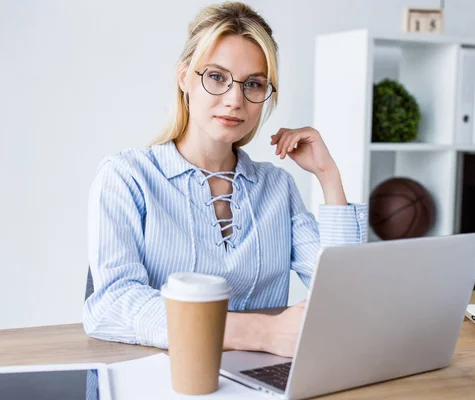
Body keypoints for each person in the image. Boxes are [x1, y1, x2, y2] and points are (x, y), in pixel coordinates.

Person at [83, 1, 367, 358]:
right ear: (184, 77)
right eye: (217, 77)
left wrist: (329, 177)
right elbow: (112, 303)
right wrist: (263, 333)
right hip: (169, 378)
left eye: (254, 84)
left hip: (262, 381)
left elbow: (344, 296)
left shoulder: (277, 187)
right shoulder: (127, 176)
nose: (235, 100)